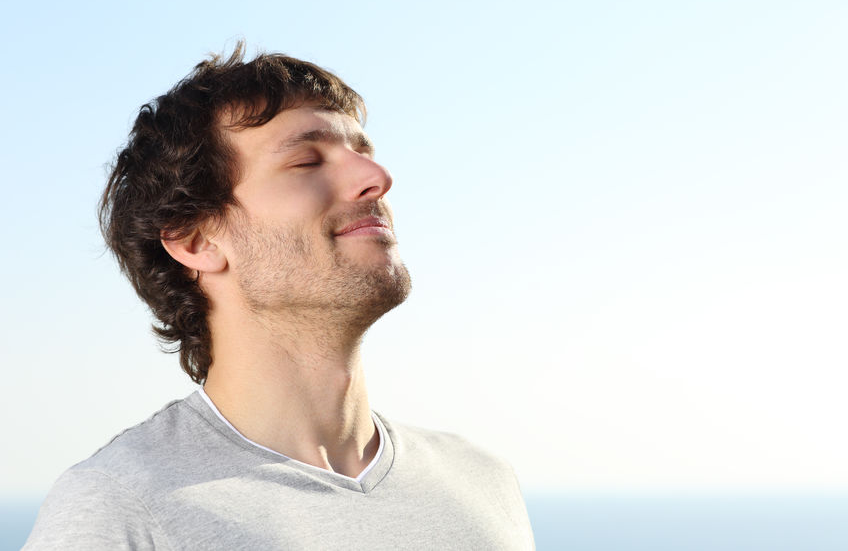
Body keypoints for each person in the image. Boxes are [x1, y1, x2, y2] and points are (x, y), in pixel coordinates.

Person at [24, 43, 535, 550]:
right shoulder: (122, 506)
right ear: (196, 241)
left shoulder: (484, 482)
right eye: (306, 161)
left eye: (363, 153)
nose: (376, 178)